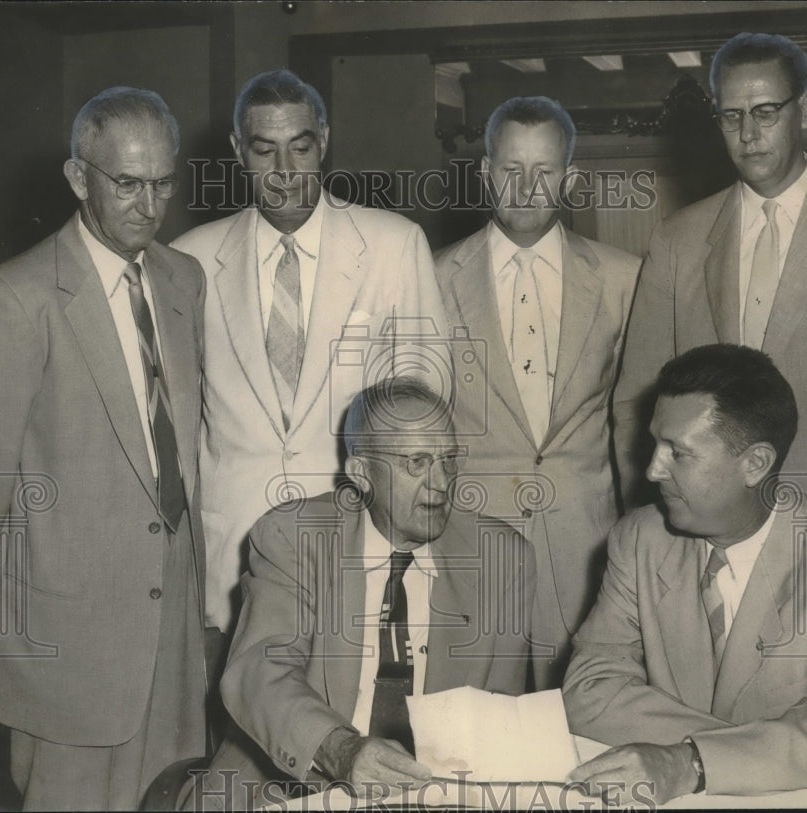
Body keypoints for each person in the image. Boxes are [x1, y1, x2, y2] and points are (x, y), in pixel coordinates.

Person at [0, 87, 207, 809]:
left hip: (173, 633)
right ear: (80, 178)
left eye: (163, 183)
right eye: (126, 183)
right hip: (69, 646)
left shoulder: (183, 279)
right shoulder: (13, 296)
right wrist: (37, 604)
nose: (149, 205)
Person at [613, 33, 807, 580]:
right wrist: (649, 560)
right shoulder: (678, 240)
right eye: (731, 116)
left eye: (766, 112)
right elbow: (636, 406)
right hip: (711, 548)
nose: (748, 134)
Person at [172, 69, 449, 634]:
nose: (285, 172)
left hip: (354, 537)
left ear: (323, 140)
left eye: (300, 148)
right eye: (264, 151)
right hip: (232, 554)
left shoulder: (394, 245)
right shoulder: (188, 259)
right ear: (236, 151)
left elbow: (425, 403)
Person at [565, 344, 807, 804]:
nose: (651, 468)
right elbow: (589, 691)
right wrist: (746, 755)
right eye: (654, 443)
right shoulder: (638, 539)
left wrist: (691, 762)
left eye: (678, 453)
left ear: (755, 465)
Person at [186, 378, 535, 808]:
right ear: (361, 474)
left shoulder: (502, 558)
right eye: (416, 462)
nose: (442, 482)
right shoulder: (295, 536)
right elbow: (260, 673)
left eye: (448, 459)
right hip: (284, 784)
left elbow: (497, 717)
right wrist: (345, 751)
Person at [434, 96, 640, 688]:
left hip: (587, 540)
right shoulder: (429, 274)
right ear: (484, 173)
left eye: (544, 172)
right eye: (510, 169)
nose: (525, 188)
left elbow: (631, 420)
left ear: (570, 178)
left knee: (584, 714)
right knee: (475, 726)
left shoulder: (625, 278)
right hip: (472, 539)